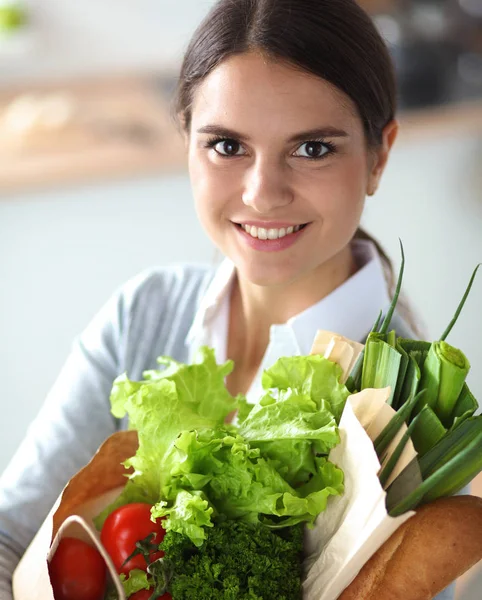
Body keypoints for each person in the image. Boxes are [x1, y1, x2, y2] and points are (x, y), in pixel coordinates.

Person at [0, 1, 459, 598]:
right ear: (187, 142)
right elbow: (11, 536)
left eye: (312, 148)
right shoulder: (143, 315)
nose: (263, 194)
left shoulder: (414, 420)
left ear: (379, 156)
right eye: (226, 146)